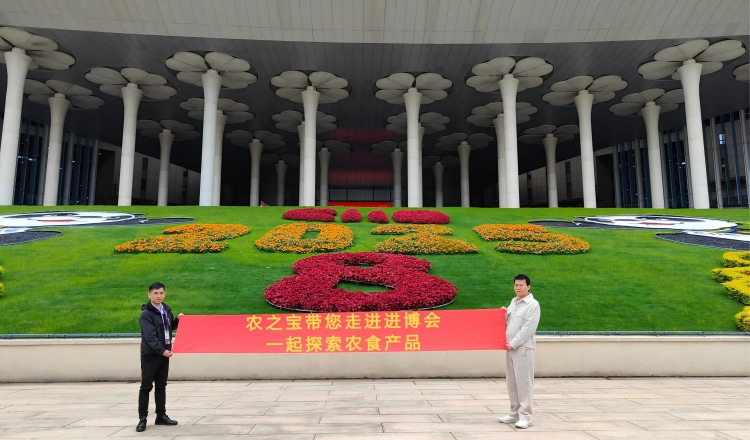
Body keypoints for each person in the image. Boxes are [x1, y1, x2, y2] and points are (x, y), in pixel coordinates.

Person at [136, 282, 183, 432]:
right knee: (146, 387)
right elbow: (150, 337)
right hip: (151, 355)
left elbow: (168, 328)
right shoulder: (146, 314)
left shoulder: (166, 310)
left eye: (161, 293)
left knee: (161, 386)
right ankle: (142, 419)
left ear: (165, 294)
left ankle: (161, 416)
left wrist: (178, 321)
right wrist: (162, 350)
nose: (159, 296)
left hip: (164, 353)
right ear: (149, 295)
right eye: (155, 293)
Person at [498, 274, 540, 429]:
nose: (518, 287)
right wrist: (501, 313)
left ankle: (526, 417)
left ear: (528, 286)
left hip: (523, 348)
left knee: (524, 383)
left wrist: (513, 343)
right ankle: (514, 413)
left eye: (521, 285)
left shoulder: (533, 305)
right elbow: (507, 320)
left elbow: (528, 328)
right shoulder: (514, 302)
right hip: (509, 347)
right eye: (516, 285)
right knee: (512, 382)